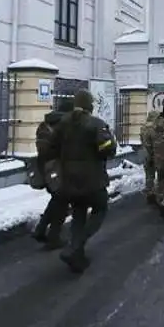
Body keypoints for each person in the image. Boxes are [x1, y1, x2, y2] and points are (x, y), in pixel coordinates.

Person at [39, 90, 117, 272]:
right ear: (90, 105)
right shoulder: (96, 124)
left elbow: (50, 149)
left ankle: (76, 253)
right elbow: (107, 148)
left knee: (78, 213)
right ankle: (75, 246)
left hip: (69, 180)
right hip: (93, 180)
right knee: (100, 208)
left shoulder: (62, 124)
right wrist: (107, 146)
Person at [31, 100, 73, 249]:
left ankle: (41, 229)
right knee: (62, 201)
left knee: (57, 200)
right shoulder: (65, 125)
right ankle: (53, 237)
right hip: (60, 168)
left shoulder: (44, 124)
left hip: (45, 167)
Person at [140, 110, 160, 205]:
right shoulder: (155, 128)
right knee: (160, 175)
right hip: (155, 153)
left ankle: (149, 193)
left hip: (145, 154)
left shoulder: (143, 127)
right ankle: (157, 194)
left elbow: (142, 141)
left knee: (149, 176)